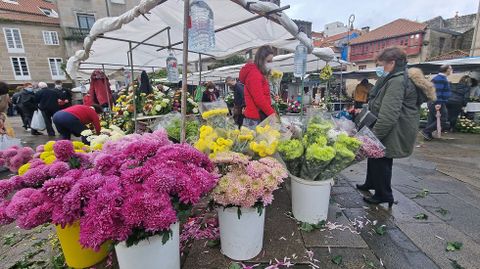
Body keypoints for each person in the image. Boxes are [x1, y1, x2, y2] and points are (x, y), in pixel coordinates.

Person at [356, 47, 436, 207]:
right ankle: (370, 183)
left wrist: (373, 137)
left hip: (393, 129)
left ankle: (384, 194)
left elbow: (389, 114)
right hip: (391, 127)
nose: (380, 69)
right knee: (375, 157)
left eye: (382, 65)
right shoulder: (393, 78)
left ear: (392, 63)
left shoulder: (397, 81)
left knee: (382, 161)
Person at [239, 45, 276, 128]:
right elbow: (259, 99)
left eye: (271, 61)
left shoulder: (258, 73)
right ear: (261, 60)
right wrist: (272, 113)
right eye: (268, 61)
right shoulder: (255, 74)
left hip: (257, 115)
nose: (270, 63)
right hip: (255, 117)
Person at [421, 65, 453, 140]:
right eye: (450, 69)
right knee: (443, 118)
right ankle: (426, 131)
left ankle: (427, 135)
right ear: (447, 70)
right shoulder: (440, 79)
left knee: (432, 118)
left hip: (434, 101)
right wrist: (438, 103)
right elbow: (437, 92)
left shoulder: (440, 78)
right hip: (437, 102)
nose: (452, 70)